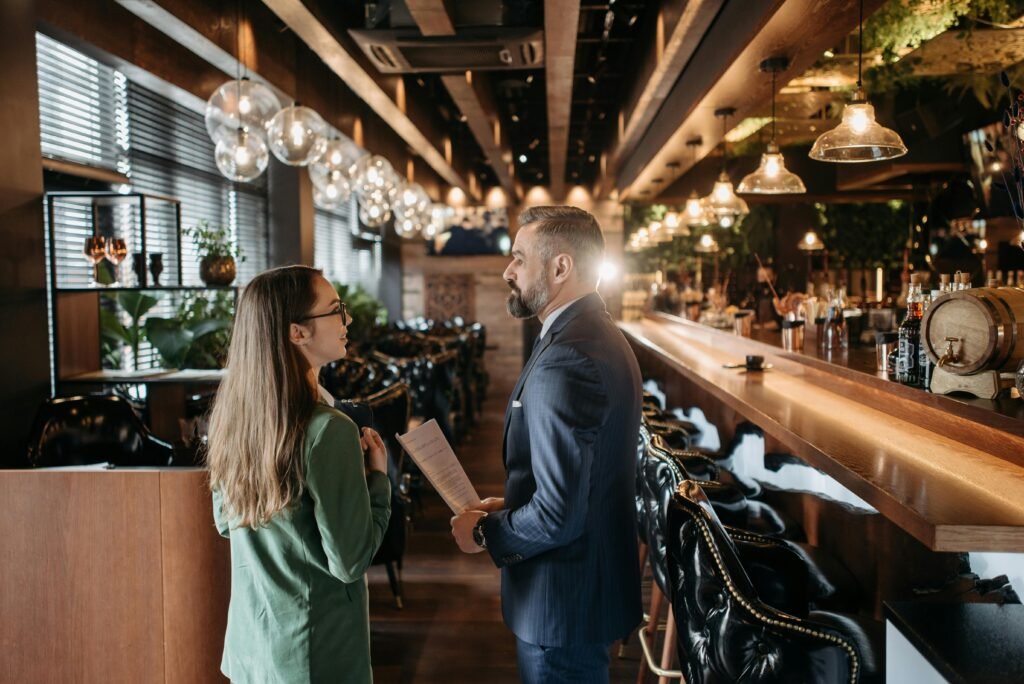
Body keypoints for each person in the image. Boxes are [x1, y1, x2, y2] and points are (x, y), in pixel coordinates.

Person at [450, 205, 644, 683]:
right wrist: (510, 503)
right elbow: (582, 478)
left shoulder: (568, 356)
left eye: (519, 258)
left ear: (561, 267)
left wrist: (484, 534)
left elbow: (558, 514)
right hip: (583, 590)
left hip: (564, 600)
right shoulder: (589, 332)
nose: (507, 270)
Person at [206, 265, 391, 684]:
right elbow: (350, 561)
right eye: (335, 309)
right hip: (315, 653)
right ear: (297, 333)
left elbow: (225, 523)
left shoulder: (233, 421)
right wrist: (377, 482)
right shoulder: (329, 430)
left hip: (251, 648)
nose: (348, 319)